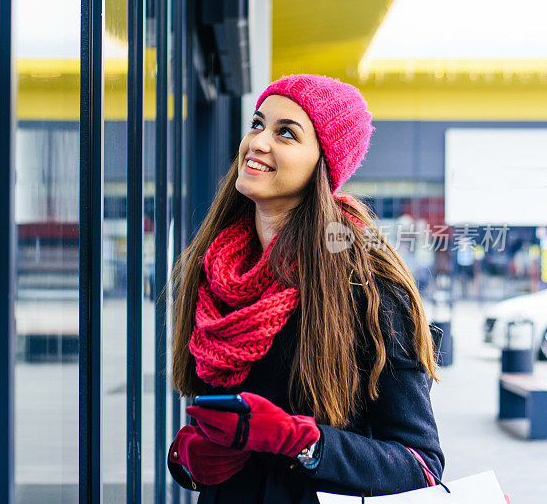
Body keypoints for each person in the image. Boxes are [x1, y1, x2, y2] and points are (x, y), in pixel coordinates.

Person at [166, 74, 445, 503]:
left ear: (323, 164)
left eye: (286, 134)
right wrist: (187, 458)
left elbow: (421, 464)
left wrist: (303, 441)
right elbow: (208, 417)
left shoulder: (369, 287)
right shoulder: (214, 272)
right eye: (257, 124)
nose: (258, 143)